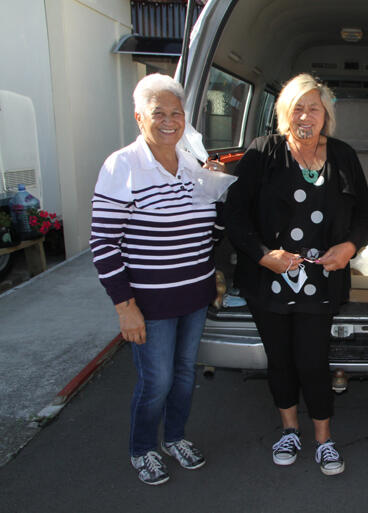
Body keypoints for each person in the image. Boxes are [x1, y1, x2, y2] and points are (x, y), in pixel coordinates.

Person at [224, 73, 368, 476]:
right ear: (283, 114)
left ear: (326, 114)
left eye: (314, 107)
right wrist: (261, 255)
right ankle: (290, 430)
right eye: (297, 107)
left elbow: (364, 214)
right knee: (281, 360)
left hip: (321, 279)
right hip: (267, 280)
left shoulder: (343, 155)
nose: (306, 115)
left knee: (312, 360)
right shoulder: (262, 152)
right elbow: (234, 215)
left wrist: (349, 247)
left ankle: (324, 439)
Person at [91, 73, 227, 485]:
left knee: (184, 374)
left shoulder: (189, 164)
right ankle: (142, 448)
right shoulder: (122, 165)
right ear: (139, 117)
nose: (169, 121)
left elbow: (211, 232)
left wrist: (216, 188)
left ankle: (176, 437)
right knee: (157, 381)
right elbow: (103, 244)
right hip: (149, 303)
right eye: (158, 113)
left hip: (194, 294)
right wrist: (124, 306)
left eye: (176, 113)